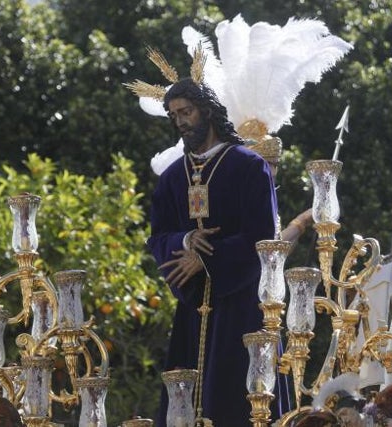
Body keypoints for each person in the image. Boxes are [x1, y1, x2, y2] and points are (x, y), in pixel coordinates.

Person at [147, 77, 278, 426]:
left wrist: (207, 257)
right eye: (174, 115)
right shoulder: (173, 178)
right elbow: (158, 237)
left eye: (186, 112)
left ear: (206, 110)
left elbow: (264, 237)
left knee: (236, 399)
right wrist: (185, 243)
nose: (181, 121)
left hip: (241, 304)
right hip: (192, 307)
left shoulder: (248, 167)